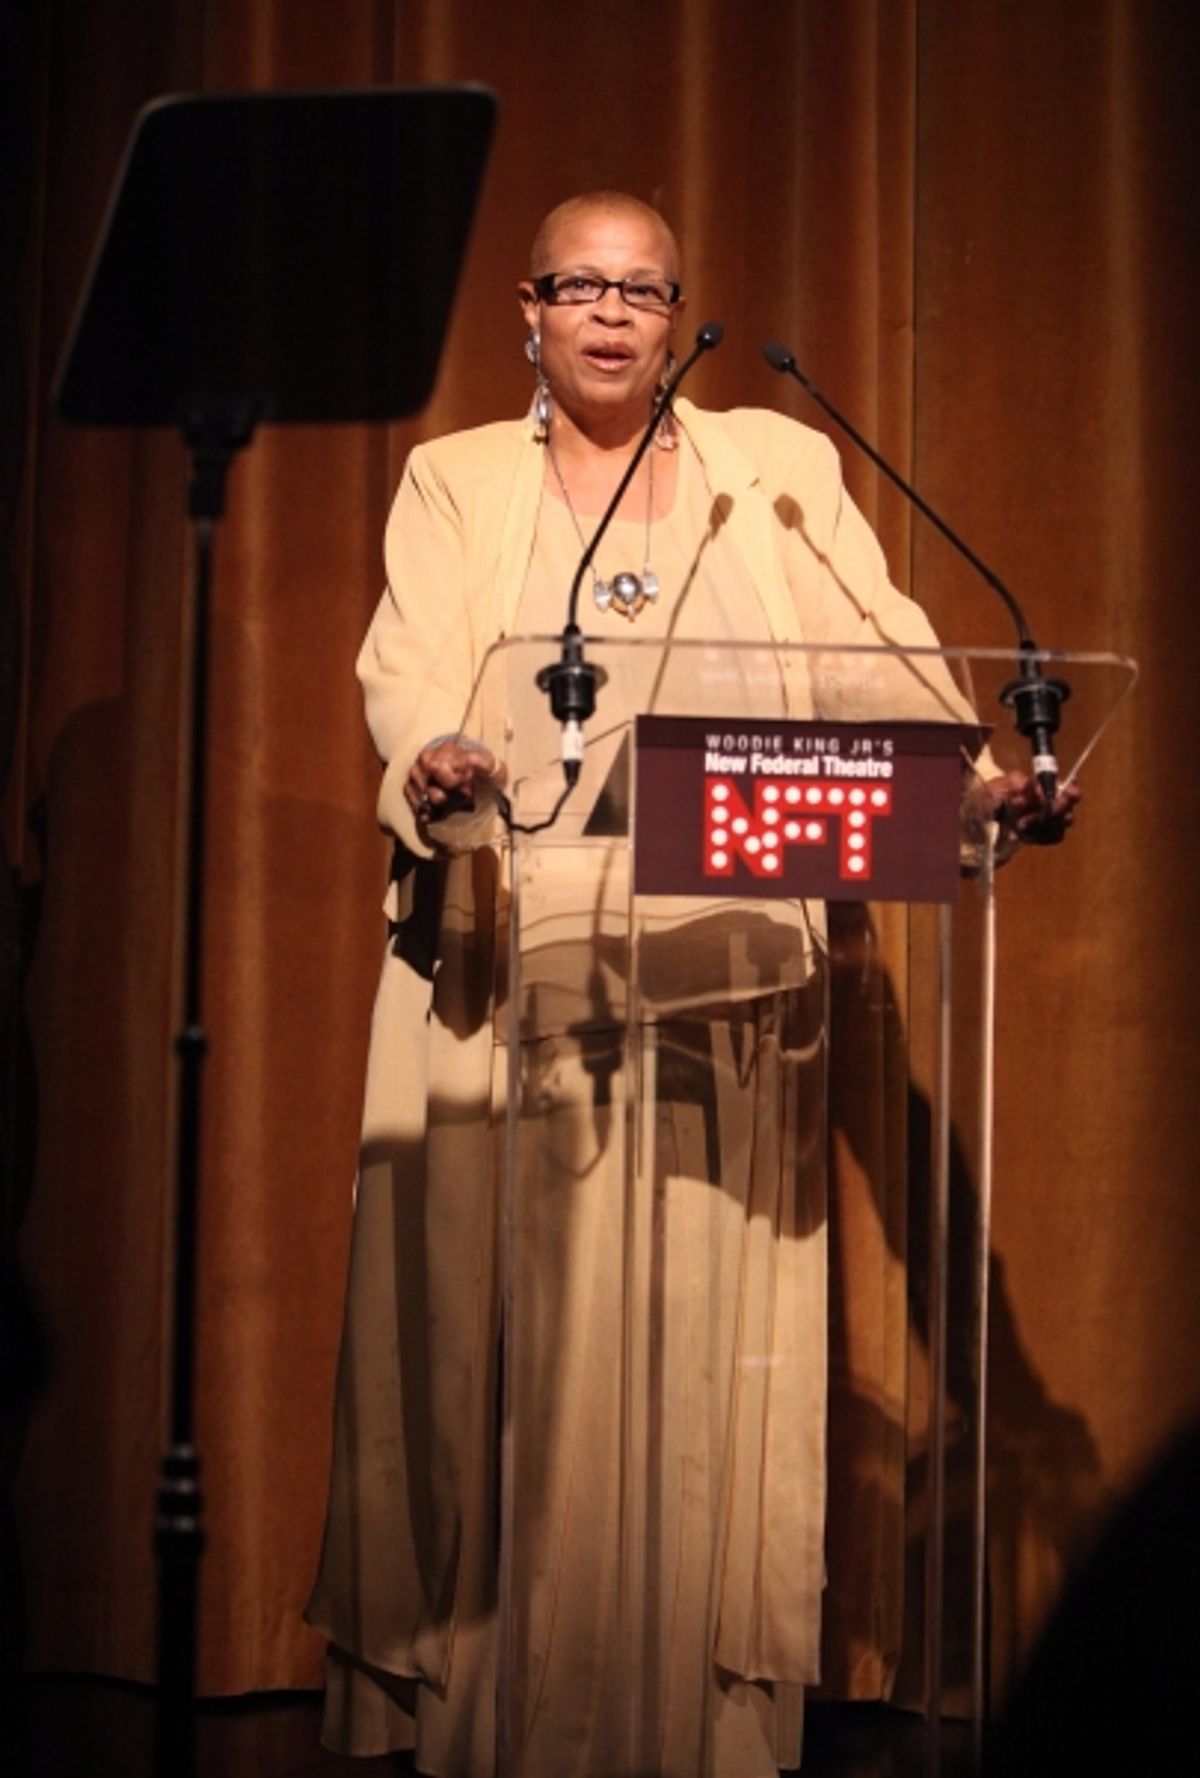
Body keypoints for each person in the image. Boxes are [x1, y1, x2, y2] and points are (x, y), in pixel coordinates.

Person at [305, 191, 1076, 1778]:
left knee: (690, 1373)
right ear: (528, 311)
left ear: (678, 316)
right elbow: (413, 669)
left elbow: (885, 658)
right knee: (516, 1362)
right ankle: (506, 1712)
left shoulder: (773, 474)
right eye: (580, 285)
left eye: (643, 289)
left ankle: (684, 1728)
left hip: (724, 987)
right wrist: (437, 754)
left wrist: (973, 788)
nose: (611, 313)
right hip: (514, 974)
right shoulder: (456, 477)